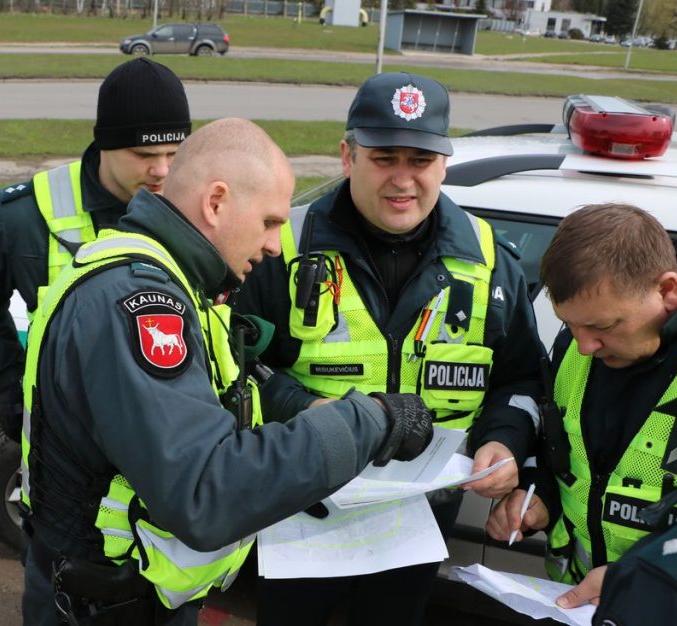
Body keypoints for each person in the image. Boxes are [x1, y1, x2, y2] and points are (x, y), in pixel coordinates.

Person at [20, 118, 437, 626]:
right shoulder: (138, 303)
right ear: (215, 203)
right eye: (269, 222)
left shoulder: (183, 282)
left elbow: (223, 394)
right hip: (103, 606)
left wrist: (303, 408)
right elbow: (205, 490)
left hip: (132, 599)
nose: (276, 246)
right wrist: (370, 420)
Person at [233, 72, 545, 626]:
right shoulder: (281, 247)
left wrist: (504, 441)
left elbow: (521, 379)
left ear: (443, 164)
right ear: (347, 155)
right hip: (304, 514)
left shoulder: (490, 258)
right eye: (384, 158)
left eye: (421, 161)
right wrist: (301, 409)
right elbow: (234, 367)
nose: (403, 180)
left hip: (419, 526)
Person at [0, 58, 192, 443]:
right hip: (70, 434)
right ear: (105, 143)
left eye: (174, 154)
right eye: (144, 155)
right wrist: (7, 378)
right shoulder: (26, 214)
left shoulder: (199, 202)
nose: (162, 171)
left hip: (173, 429)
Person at [486, 203, 677, 610]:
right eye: (570, 324)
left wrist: (640, 578)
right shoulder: (575, 350)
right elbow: (560, 451)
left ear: (667, 290)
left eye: (602, 327)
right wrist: (539, 497)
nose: (585, 346)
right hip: (576, 605)